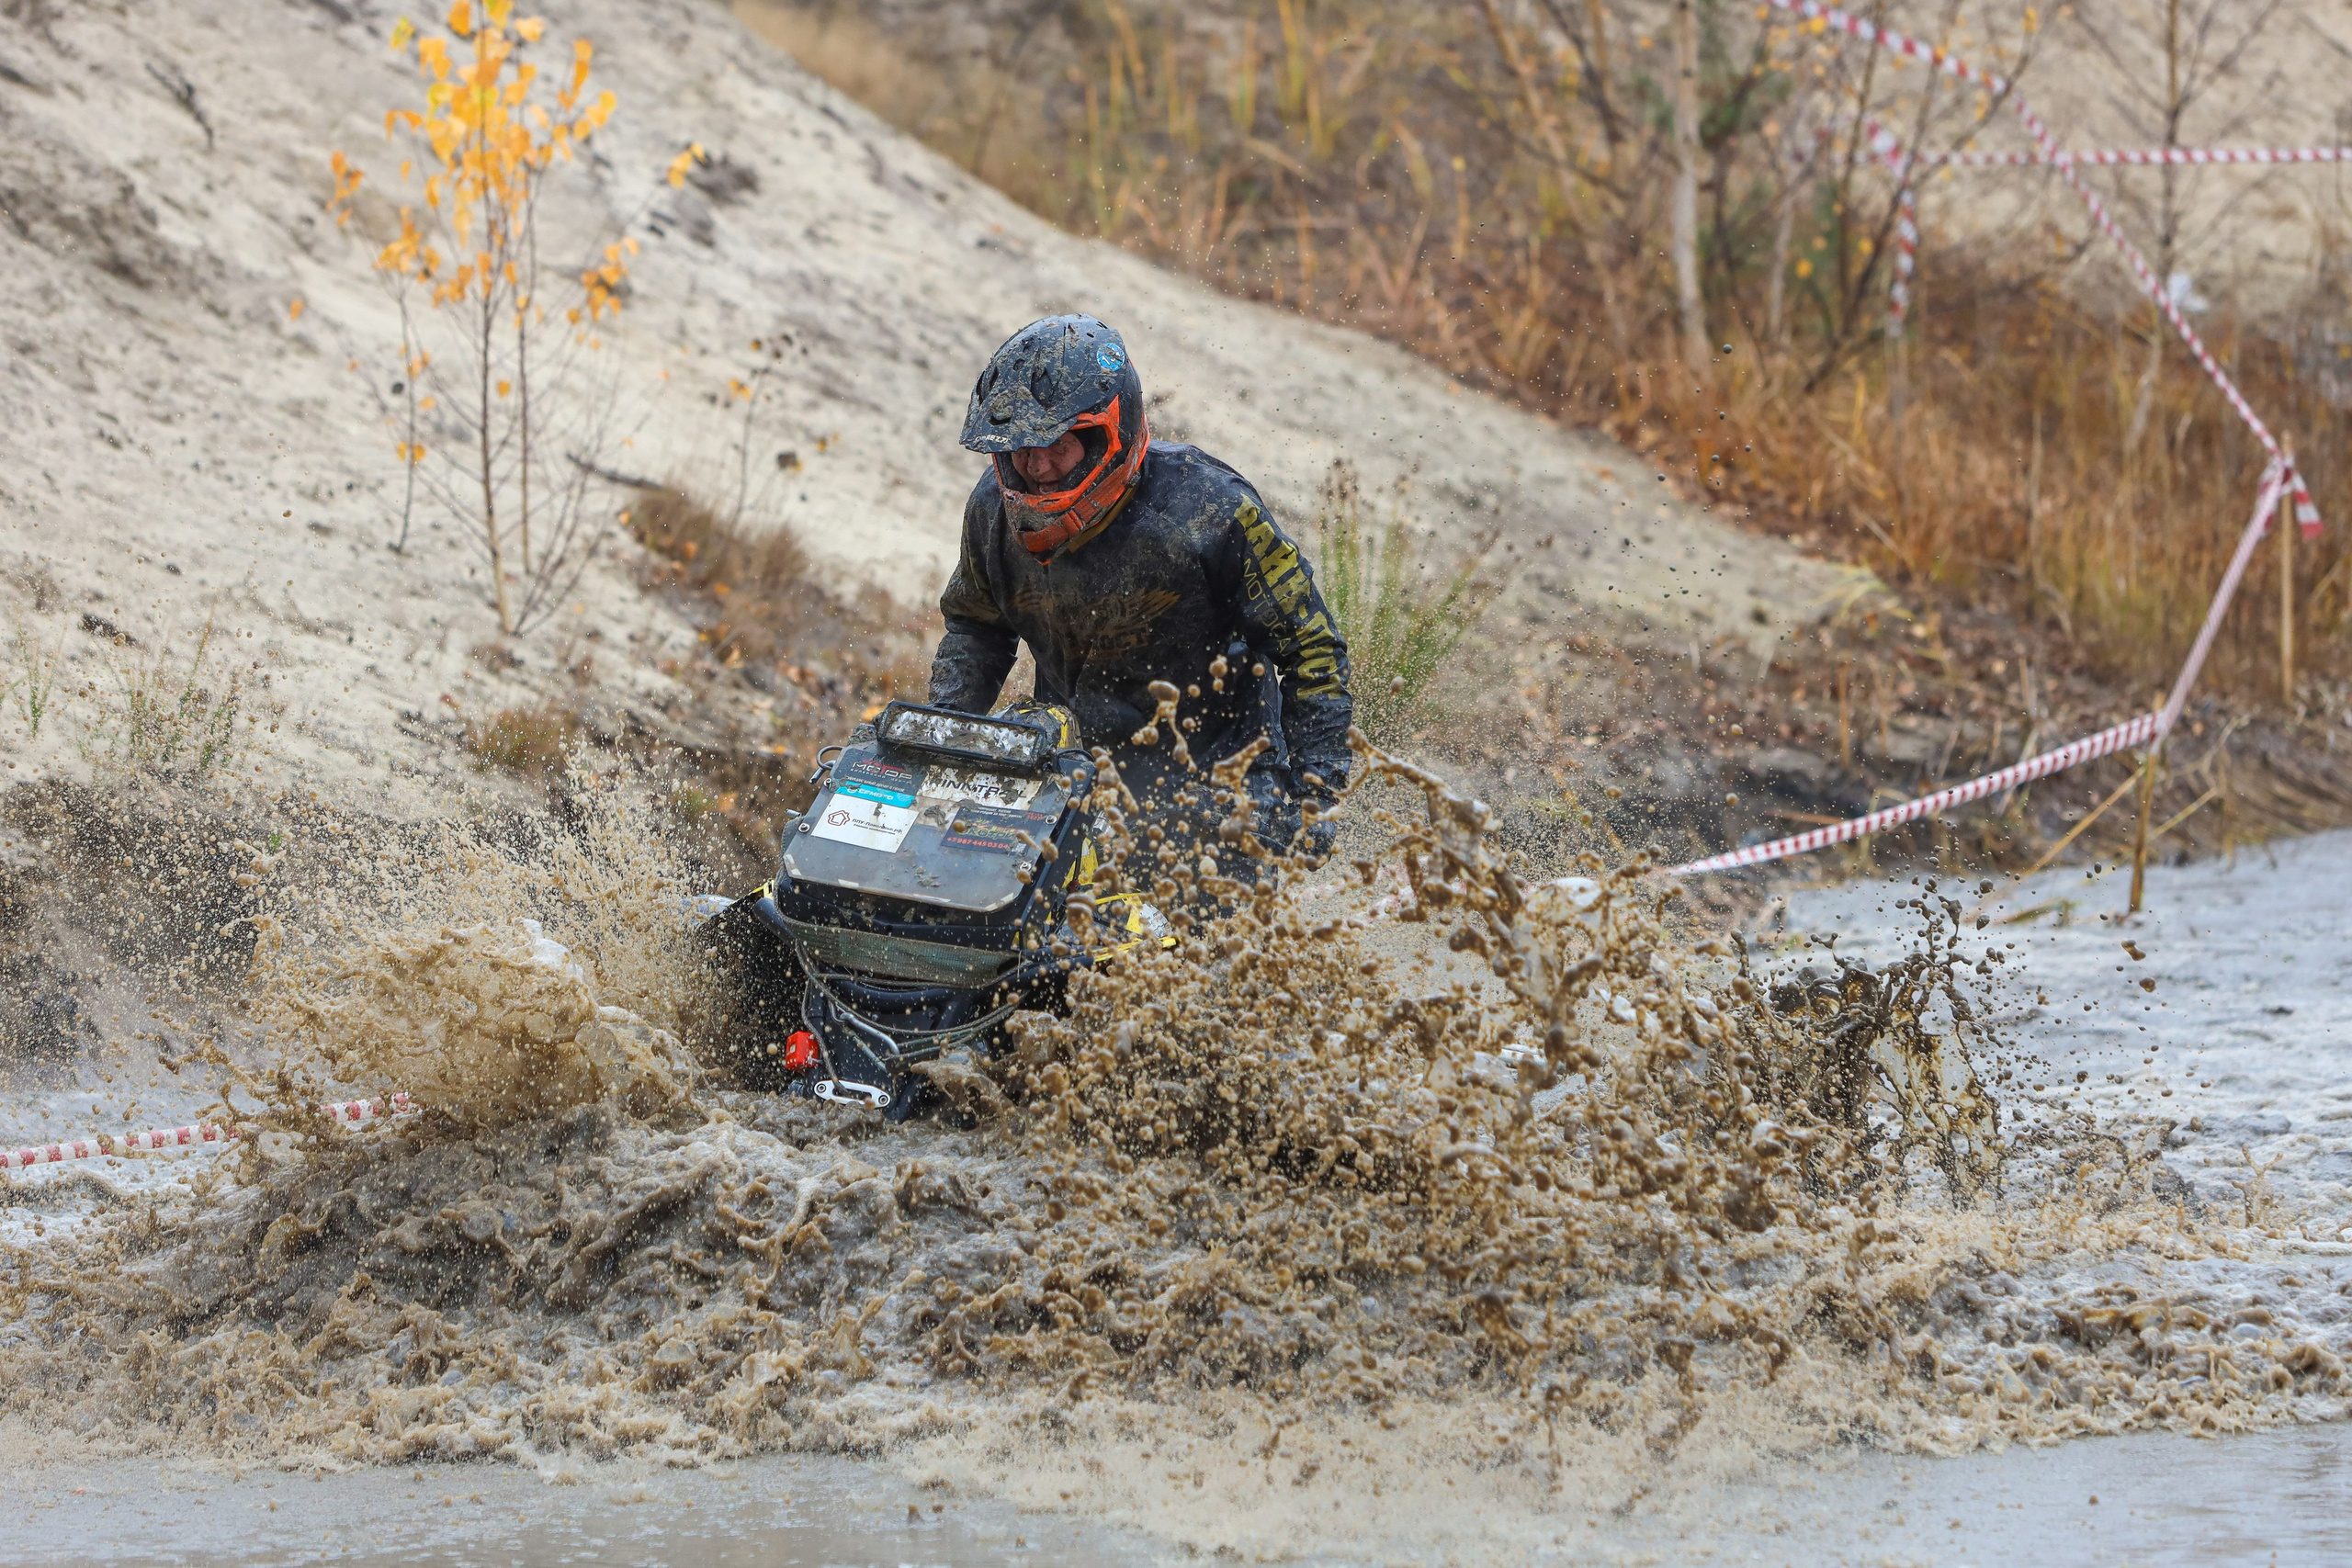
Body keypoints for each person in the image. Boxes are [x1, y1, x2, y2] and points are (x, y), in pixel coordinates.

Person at [927, 314, 1353, 865]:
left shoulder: (1211, 510)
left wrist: (1315, 797)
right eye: (1018, 448)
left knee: (1182, 943)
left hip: (1224, 791)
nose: (1037, 466)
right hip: (1074, 781)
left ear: (1110, 430)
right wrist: (940, 745)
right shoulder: (992, 510)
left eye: (1057, 443)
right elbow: (976, 629)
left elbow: (1311, 649)